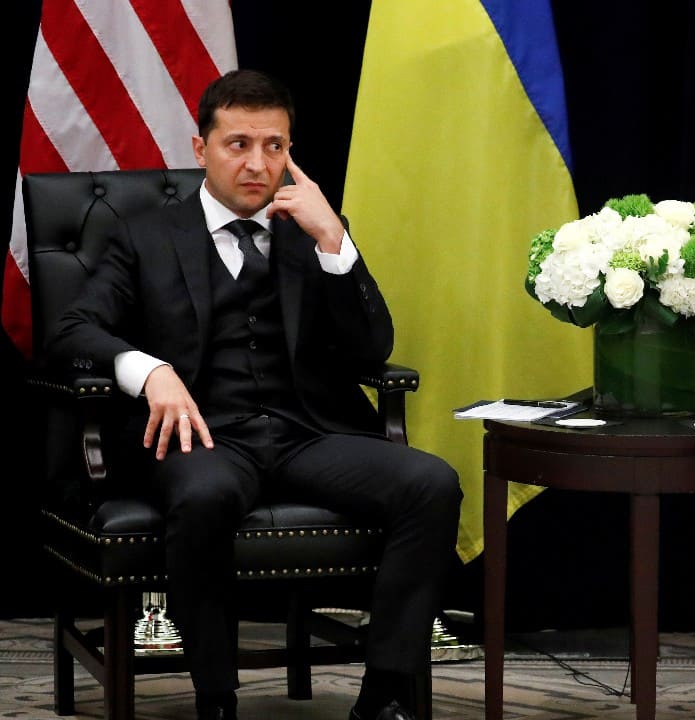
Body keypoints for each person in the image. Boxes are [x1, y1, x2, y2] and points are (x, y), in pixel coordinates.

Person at [48, 69, 462, 720]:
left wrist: (336, 244)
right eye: (238, 143)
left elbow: (371, 350)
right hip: (200, 437)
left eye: (275, 146)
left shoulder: (313, 228)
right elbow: (73, 327)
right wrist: (148, 370)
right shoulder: (146, 235)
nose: (257, 162)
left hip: (305, 433)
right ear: (200, 148)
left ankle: (385, 689)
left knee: (432, 483)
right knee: (206, 494)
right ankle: (217, 696)